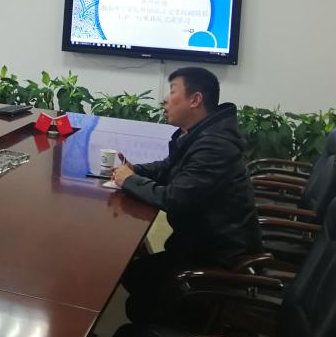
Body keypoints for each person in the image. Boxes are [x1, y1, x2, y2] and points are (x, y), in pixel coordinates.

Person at [111, 66, 262, 322]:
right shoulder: (203, 133)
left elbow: (175, 199)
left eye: (172, 91)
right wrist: (136, 171)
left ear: (195, 100)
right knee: (134, 274)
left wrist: (130, 181)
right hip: (198, 244)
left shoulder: (214, 145)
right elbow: (170, 167)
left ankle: (195, 323)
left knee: (136, 287)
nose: (165, 99)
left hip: (217, 258)